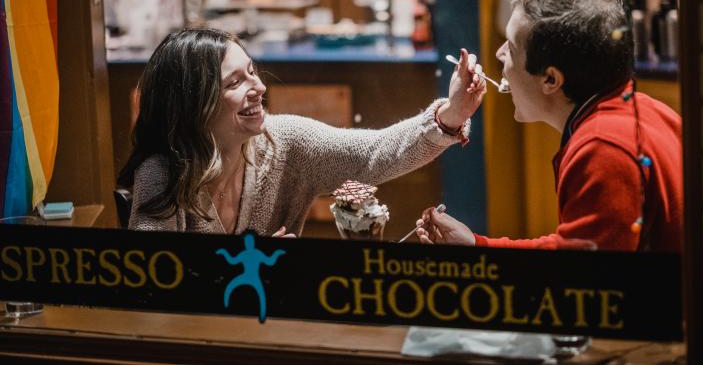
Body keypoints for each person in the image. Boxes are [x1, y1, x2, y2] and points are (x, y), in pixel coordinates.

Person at [120, 29, 486, 236]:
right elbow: (156, 287)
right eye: (235, 82)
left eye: (252, 71)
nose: (259, 88)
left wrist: (451, 115)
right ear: (193, 105)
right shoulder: (162, 171)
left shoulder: (285, 142)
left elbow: (375, 153)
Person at [416, 0, 683, 252]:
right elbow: (576, 246)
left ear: (551, 80)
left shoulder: (602, 149)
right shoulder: (646, 108)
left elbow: (583, 278)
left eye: (511, 46)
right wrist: (478, 245)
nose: (498, 53)